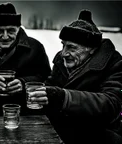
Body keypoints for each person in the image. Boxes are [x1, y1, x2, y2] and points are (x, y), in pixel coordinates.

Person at [30, 10, 122, 144]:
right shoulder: (61, 61)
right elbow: (51, 85)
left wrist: (63, 97)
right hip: (64, 129)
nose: (64, 53)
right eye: (63, 45)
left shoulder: (115, 63)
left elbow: (111, 104)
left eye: (72, 48)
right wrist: (38, 93)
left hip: (101, 134)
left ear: (92, 49)